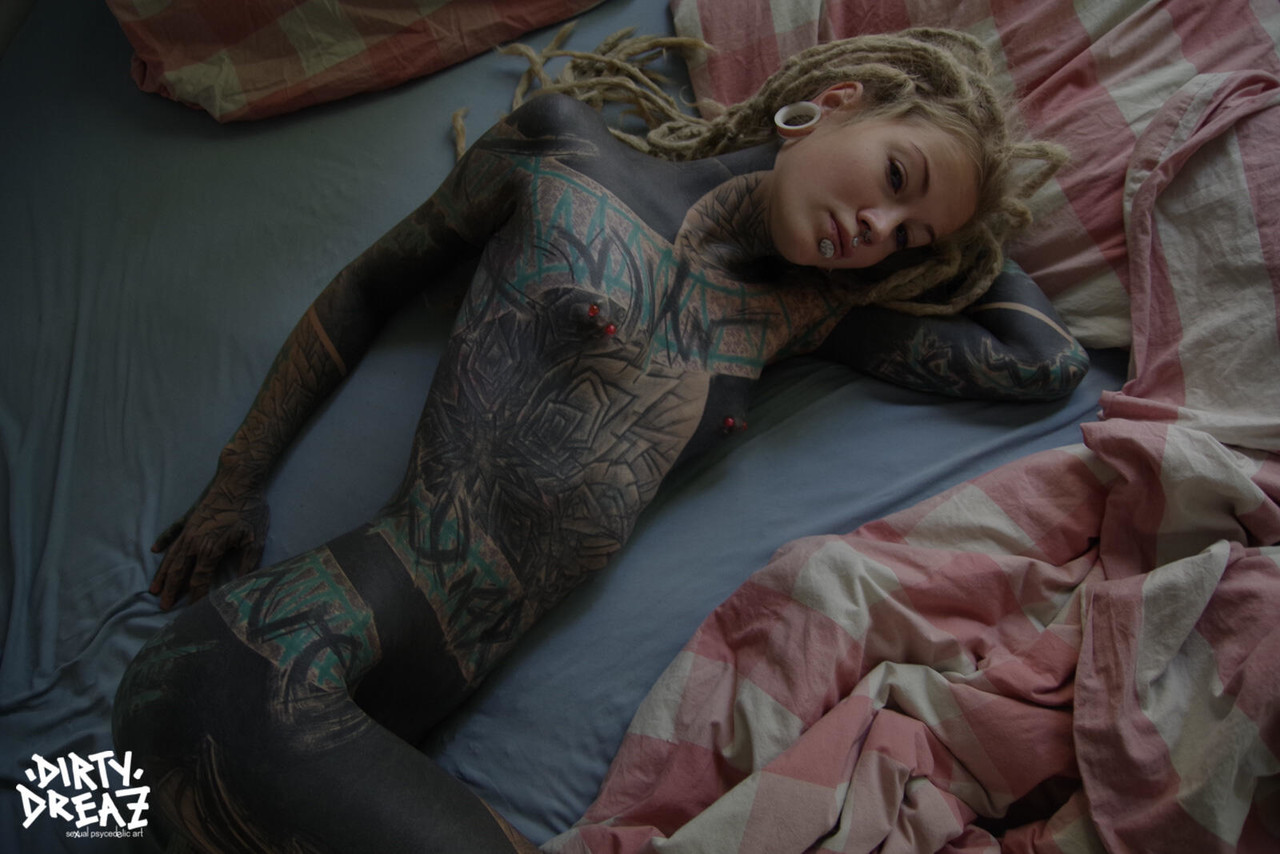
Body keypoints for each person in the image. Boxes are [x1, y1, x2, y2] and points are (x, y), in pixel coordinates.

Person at [113, 27, 1088, 853]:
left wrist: (967, 224)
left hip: (379, 734)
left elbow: (1043, 362)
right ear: (835, 101)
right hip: (270, 665)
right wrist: (236, 480)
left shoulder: (800, 318)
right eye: (895, 176)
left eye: (909, 238)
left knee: (78, 814)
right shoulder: (564, 151)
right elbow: (372, 283)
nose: (879, 226)